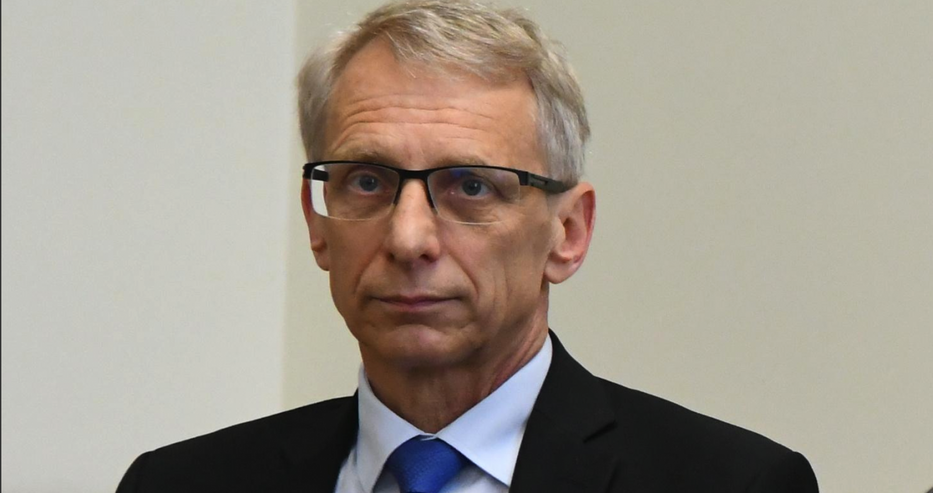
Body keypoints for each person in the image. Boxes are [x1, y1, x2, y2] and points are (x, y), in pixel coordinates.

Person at [117, 1, 819, 492]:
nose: (408, 237)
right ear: (317, 224)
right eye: (367, 181)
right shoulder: (179, 483)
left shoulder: (730, 483)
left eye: (471, 187)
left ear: (568, 233)